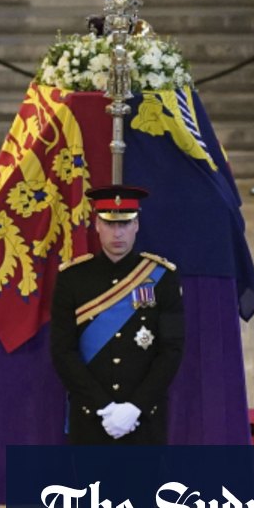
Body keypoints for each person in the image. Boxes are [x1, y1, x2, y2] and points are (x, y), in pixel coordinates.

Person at [50, 186, 184, 445]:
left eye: (125, 223)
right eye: (110, 224)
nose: (118, 233)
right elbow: (62, 351)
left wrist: (136, 406)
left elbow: (172, 350)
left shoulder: (162, 277)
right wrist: (104, 407)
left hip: (144, 418)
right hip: (90, 416)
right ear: (97, 225)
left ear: (137, 225)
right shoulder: (72, 278)